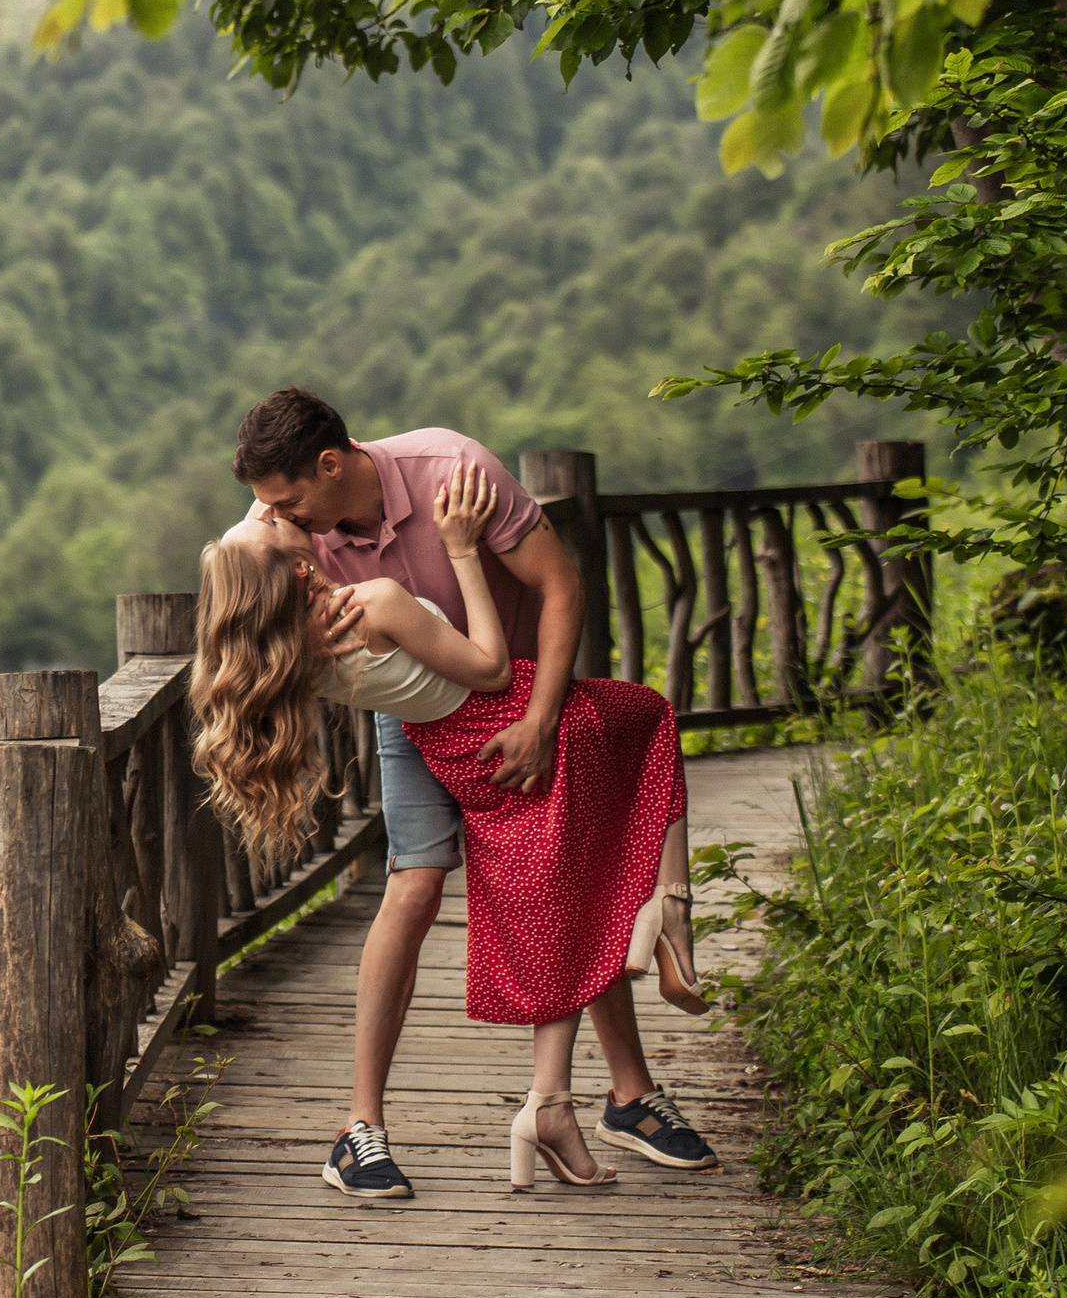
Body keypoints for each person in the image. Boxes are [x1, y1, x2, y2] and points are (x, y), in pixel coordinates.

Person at [217, 387, 717, 1197]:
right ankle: (360, 1128)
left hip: (520, 696)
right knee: (416, 885)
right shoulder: (287, 526)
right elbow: (237, 565)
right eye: (268, 506)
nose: (276, 516)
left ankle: (627, 1094)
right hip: (419, 709)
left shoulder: (453, 472)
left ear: (331, 463)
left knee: (564, 870)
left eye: (285, 500)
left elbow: (560, 587)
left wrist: (543, 719)